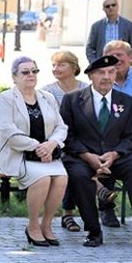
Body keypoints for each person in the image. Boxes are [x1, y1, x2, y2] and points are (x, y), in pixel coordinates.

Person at [59, 54, 132, 250]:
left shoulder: (125, 101)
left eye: (111, 72)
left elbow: (131, 136)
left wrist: (114, 154)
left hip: (116, 157)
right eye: (101, 72)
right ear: (91, 76)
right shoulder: (72, 100)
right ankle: (94, 231)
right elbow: (67, 136)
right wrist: (87, 156)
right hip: (82, 157)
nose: (107, 77)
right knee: (78, 176)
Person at [0, 57, 69, 246]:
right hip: (18, 155)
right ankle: (33, 225)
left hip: (48, 155)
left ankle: (47, 224)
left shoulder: (47, 97)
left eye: (34, 71)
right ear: (14, 77)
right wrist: (37, 146)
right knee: (42, 179)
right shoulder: (7, 98)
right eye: (25, 72)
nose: (31, 75)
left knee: (61, 178)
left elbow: (61, 127)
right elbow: (8, 131)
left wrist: (51, 144)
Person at [41, 50, 89, 233]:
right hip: (57, 141)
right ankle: (68, 213)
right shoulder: (47, 91)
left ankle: (102, 208)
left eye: (61, 64)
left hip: (83, 139)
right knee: (68, 163)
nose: (56, 68)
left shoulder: (86, 88)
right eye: (54, 65)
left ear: (74, 67)